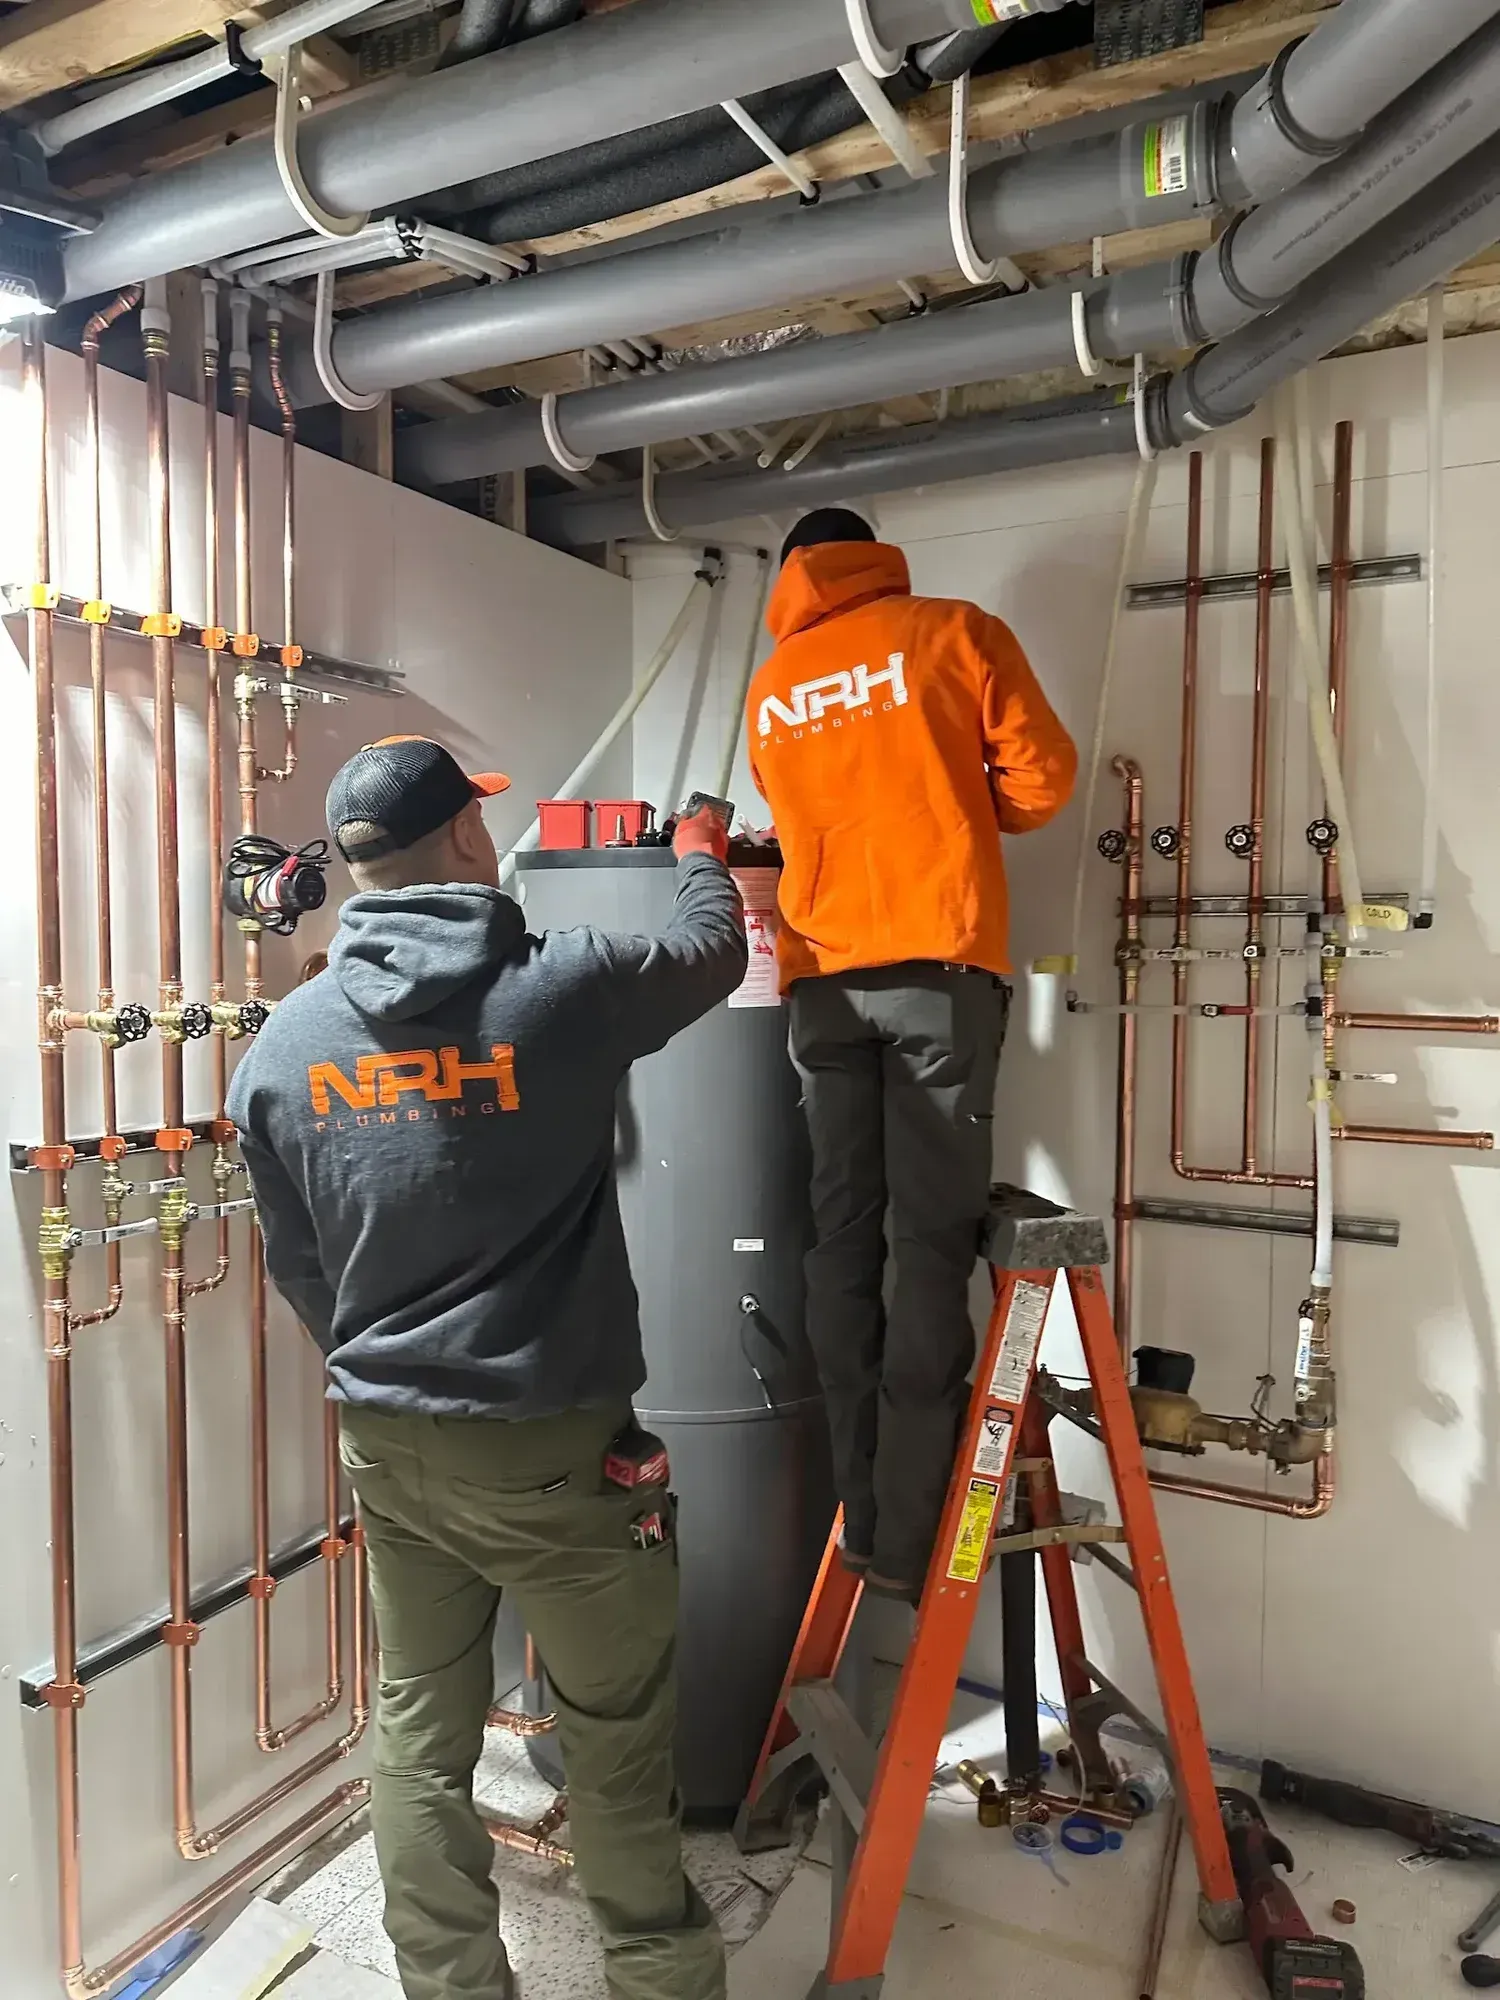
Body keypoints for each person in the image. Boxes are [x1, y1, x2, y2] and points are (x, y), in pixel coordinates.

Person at [227, 735, 747, 2000]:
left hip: (392, 1444)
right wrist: (699, 852)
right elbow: (710, 950)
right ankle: (660, 1979)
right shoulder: (557, 990)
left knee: (416, 1725)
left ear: (352, 869)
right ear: (467, 837)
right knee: (616, 1741)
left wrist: (391, 1368)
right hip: (558, 1451)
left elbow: (300, 1269)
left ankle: (454, 1985)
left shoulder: (280, 1051)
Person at [746, 509, 1078, 1602]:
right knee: (924, 1244)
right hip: (937, 965)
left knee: (842, 1235)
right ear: (874, 555)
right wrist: (956, 806)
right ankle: (911, 1538)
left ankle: (862, 1508)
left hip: (822, 981)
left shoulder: (776, 682)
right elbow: (1044, 781)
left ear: (795, 573)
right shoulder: (953, 632)